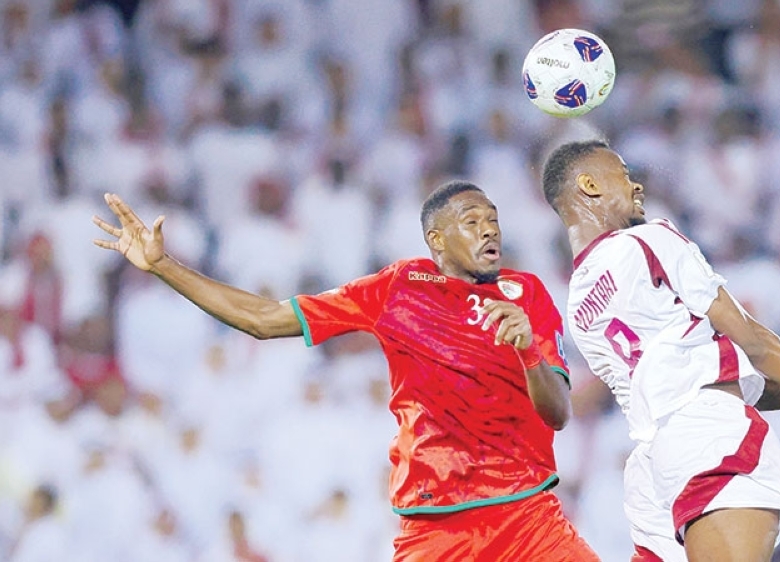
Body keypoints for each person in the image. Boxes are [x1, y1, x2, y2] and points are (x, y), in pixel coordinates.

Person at [91, 182, 600, 561]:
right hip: (437, 527)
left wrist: (528, 351)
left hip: (526, 516)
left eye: (493, 220)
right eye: (472, 220)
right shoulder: (398, 289)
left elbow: (557, 413)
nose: (489, 229)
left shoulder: (526, 294)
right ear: (437, 240)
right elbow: (262, 320)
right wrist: (164, 266)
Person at [539, 139, 780, 562]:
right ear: (590, 185)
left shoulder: (577, 304)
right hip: (711, 437)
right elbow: (752, 341)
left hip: (653, 470)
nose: (637, 186)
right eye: (624, 174)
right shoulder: (650, 240)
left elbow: (699, 382)